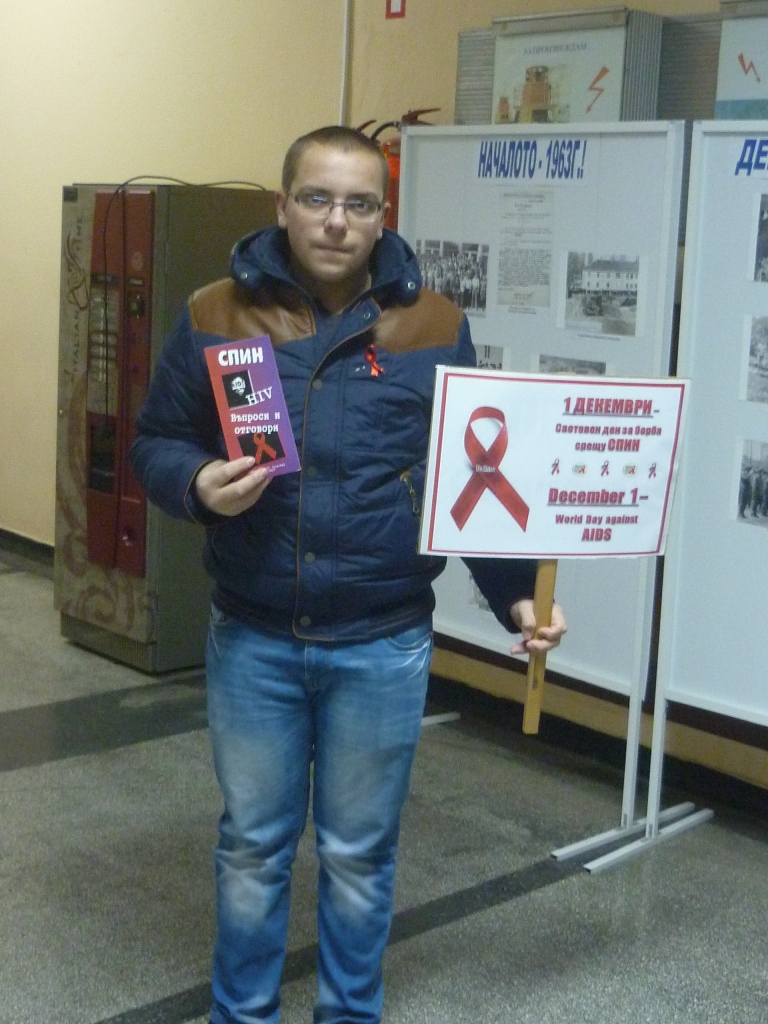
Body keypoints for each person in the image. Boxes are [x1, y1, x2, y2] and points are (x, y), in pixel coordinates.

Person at [129, 125, 566, 1024]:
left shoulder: (435, 325)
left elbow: (468, 477)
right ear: (283, 205)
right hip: (255, 635)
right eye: (317, 199)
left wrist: (518, 594)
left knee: (360, 855)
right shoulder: (215, 312)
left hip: (382, 642)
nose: (336, 221)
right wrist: (197, 483)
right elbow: (156, 440)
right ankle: (242, 1015)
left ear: (382, 215)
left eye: (359, 204)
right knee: (252, 847)